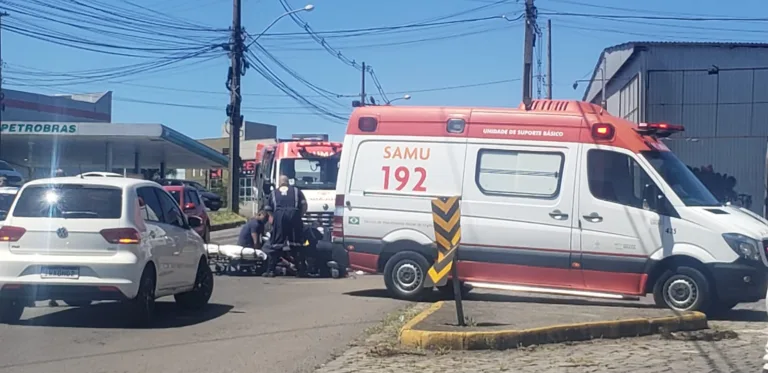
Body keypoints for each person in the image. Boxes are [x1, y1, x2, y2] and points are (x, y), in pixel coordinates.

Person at [267, 175, 308, 277]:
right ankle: (301, 270)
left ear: (279, 183)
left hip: (279, 215)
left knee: (277, 244)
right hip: (294, 215)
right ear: (288, 182)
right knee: (296, 243)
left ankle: (271, 270)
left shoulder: (273, 193)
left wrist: (274, 218)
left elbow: (268, 208)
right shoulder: (296, 191)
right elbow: (304, 205)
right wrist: (299, 216)